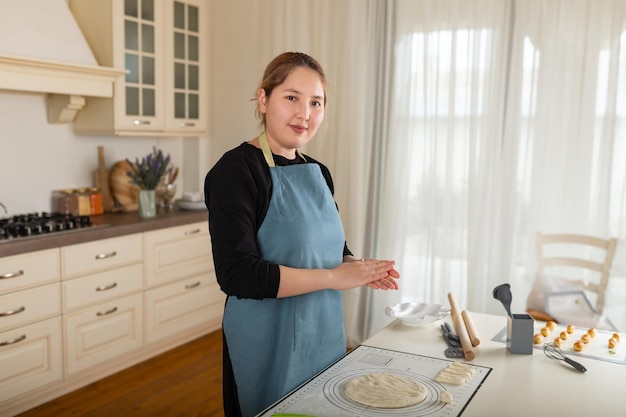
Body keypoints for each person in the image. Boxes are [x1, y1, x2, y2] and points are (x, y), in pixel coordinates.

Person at [204, 51, 400, 417]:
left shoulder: (318, 172)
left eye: (316, 103)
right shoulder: (235, 172)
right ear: (264, 99)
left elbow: (331, 246)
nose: (304, 114)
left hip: (321, 331)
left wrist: (357, 267)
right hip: (266, 340)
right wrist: (333, 277)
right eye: (291, 98)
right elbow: (237, 274)